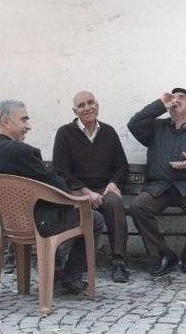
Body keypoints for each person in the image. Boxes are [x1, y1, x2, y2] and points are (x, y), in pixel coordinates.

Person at [0, 100, 104, 294]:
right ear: (6, 121)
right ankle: (71, 274)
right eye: (24, 120)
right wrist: (75, 199)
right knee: (94, 218)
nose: (29, 126)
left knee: (53, 209)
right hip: (40, 223)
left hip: (10, 223)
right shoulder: (22, 151)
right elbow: (57, 186)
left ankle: (55, 273)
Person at [127, 88, 186, 276]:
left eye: (182, 98)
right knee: (138, 207)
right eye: (173, 98)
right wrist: (160, 105)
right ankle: (164, 254)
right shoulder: (157, 126)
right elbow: (134, 124)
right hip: (160, 187)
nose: (176, 100)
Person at [52, 91, 130, 283]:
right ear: (75, 111)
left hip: (103, 190)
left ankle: (119, 262)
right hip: (76, 192)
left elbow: (122, 166)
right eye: (81, 105)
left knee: (115, 203)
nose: (87, 108)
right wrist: (86, 192)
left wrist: (113, 184)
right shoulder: (65, 133)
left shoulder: (109, 132)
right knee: (82, 211)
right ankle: (70, 266)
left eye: (90, 103)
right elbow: (61, 170)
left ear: (97, 105)